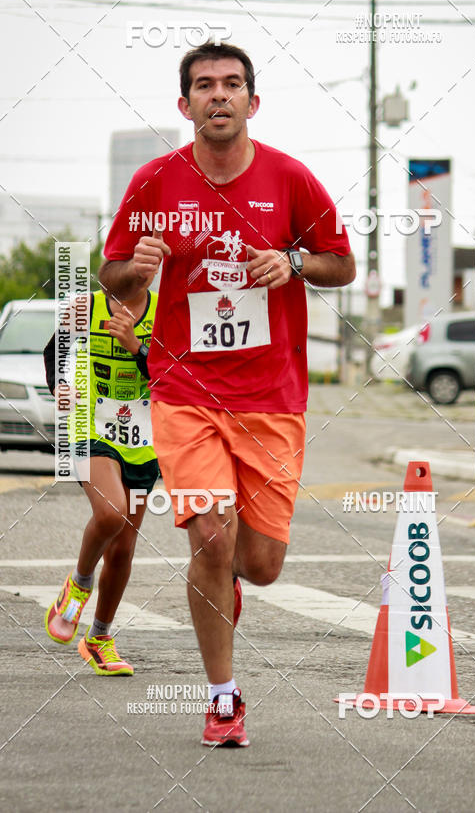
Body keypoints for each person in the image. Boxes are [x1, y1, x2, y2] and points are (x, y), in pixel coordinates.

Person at [99, 41, 355, 743]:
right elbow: (112, 275)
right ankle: (223, 699)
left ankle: (228, 577)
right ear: (185, 105)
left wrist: (295, 261)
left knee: (261, 564)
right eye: (205, 86)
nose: (219, 95)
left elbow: (343, 264)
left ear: (251, 101)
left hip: (271, 396)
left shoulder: (289, 178)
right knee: (211, 535)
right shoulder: (155, 183)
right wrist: (137, 272)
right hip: (184, 389)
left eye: (232, 84)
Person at [43, 286, 159, 675]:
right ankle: (78, 584)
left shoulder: (164, 310)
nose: (142, 267)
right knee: (111, 513)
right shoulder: (86, 306)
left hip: (144, 441)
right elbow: (53, 352)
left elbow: (175, 374)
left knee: (124, 549)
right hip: (91, 429)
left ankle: (99, 638)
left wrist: (136, 347)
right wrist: (58, 386)